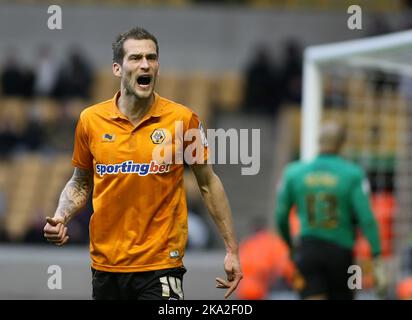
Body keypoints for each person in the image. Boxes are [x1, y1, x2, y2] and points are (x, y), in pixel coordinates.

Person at [43, 27, 242, 300]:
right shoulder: (90, 120)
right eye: (136, 58)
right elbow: (80, 180)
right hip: (106, 266)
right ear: (117, 68)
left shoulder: (184, 120)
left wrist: (232, 249)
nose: (145, 64)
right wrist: (60, 216)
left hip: (161, 265)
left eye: (151, 57)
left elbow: (208, 183)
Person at [275, 121, 386, 300]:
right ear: (342, 144)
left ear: (319, 141)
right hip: (341, 252)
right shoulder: (352, 174)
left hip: (308, 249)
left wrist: (291, 246)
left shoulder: (294, 173)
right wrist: (377, 256)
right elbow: (366, 219)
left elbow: (280, 216)